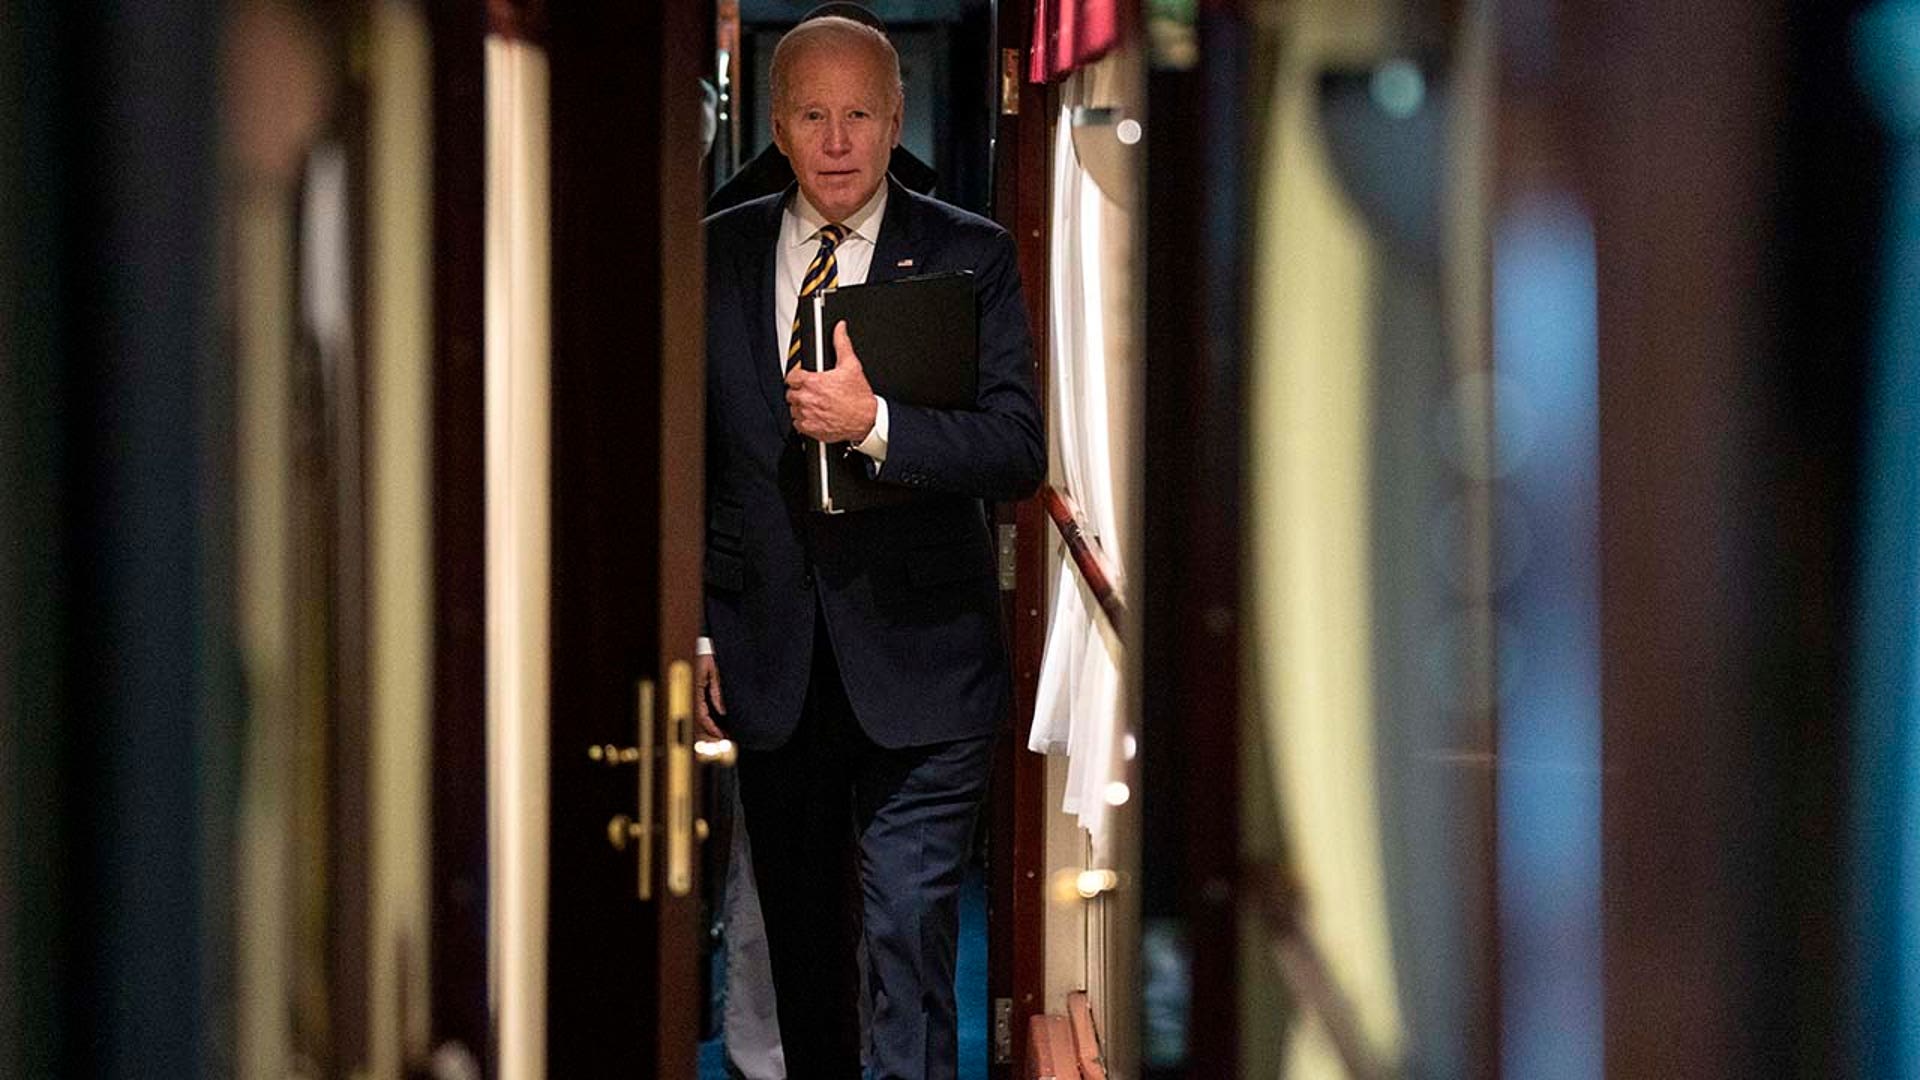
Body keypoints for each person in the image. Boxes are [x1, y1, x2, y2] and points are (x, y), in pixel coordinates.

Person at [696, 14, 1044, 1080]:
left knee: (907, 931)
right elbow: (681, 461)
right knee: (803, 948)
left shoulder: (969, 254)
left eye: (859, 115)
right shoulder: (714, 247)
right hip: (769, 656)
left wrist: (876, 424)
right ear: (777, 123)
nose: (836, 140)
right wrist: (696, 632)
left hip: (924, 658)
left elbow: (1015, 448)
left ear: (896, 123)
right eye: (812, 114)